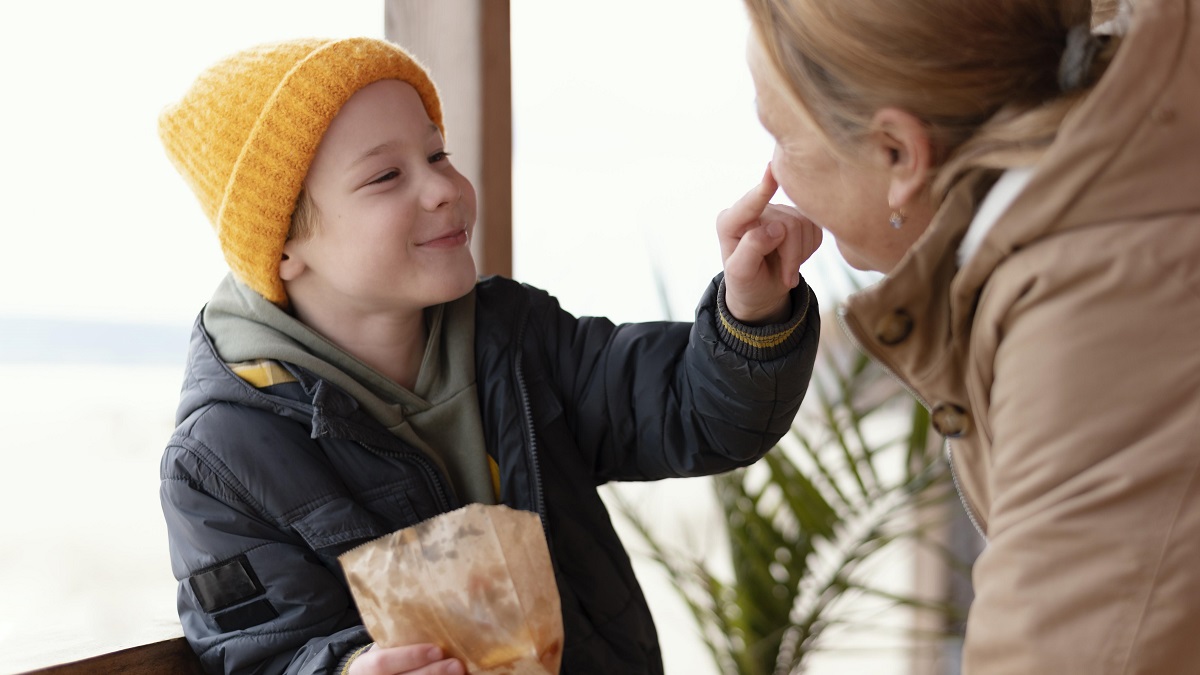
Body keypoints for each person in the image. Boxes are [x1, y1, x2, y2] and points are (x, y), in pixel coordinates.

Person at [157, 36, 823, 675]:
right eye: (387, 175)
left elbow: (696, 411)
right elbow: (256, 650)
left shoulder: (517, 335)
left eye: (438, 155)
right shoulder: (219, 460)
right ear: (278, 249)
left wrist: (751, 313)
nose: (444, 187)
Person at [736, 0, 1200, 671]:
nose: (771, 177)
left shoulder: (1094, 303)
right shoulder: (1087, 233)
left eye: (777, 133)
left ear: (899, 153)